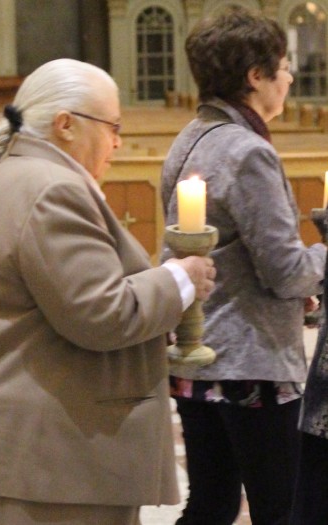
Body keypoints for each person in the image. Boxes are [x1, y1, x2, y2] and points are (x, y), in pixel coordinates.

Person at [0, 58, 216, 524]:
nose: (117, 140)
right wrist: (180, 279)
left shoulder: (20, 175)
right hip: (28, 465)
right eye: (111, 125)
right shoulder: (53, 189)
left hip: (10, 460)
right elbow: (100, 313)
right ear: (66, 125)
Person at [159, 7, 326, 525]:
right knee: (282, 508)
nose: (290, 76)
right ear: (255, 76)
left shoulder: (190, 136)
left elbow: (233, 257)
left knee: (211, 504)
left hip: (197, 355)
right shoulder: (248, 151)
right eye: (282, 65)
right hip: (251, 367)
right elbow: (285, 272)